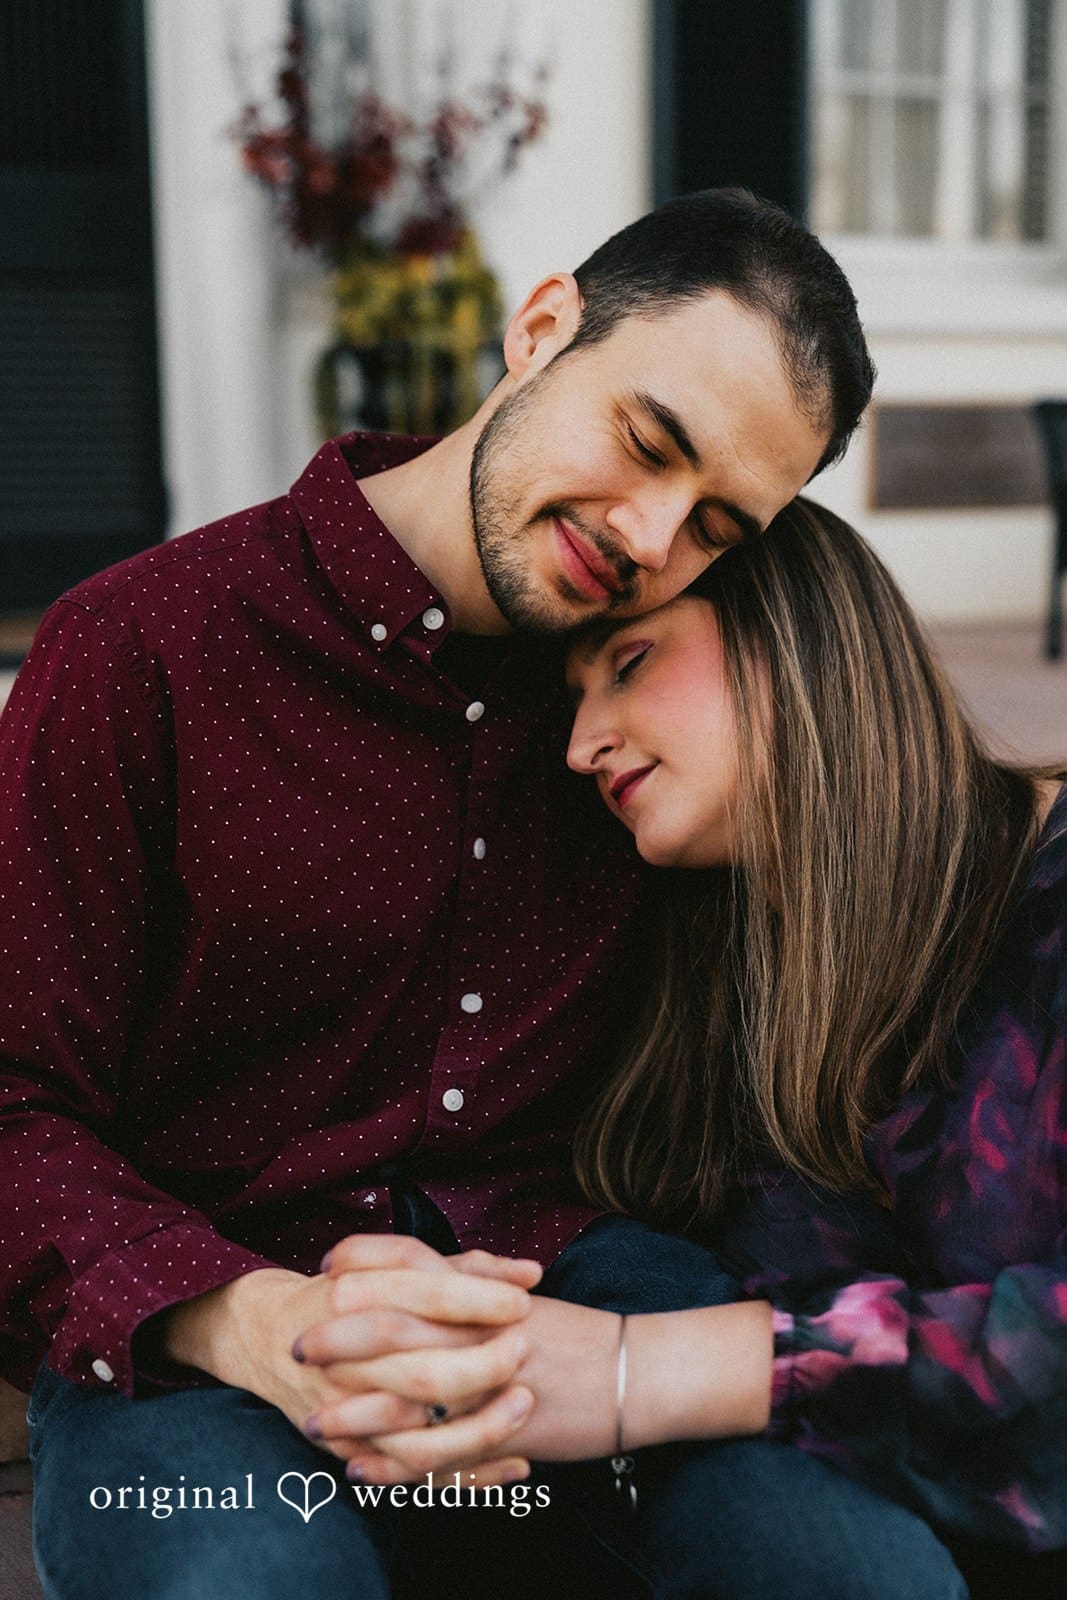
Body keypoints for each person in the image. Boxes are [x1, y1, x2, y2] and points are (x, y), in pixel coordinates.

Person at [2, 190, 873, 1598]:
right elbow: (13, 1099)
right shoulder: (139, 646)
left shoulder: (641, 712)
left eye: (715, 523)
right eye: (646, 441)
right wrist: (256, 1323)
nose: (649, 536)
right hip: (205, 1339)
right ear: (539, 330)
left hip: (575, 1299)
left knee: (842, 1566)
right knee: (244, 1584)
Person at [320, 499, 1066, 1598]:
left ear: (798, 637)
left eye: (627, 664)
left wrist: (639, 1369)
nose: (579, 746)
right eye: (573, 703)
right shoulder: (733, 972)